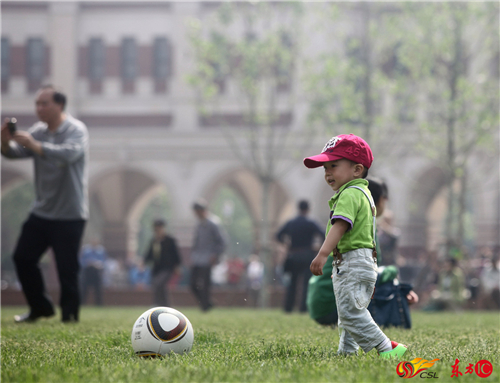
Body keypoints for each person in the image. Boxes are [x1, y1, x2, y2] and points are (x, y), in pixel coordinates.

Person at [304, 133, 407, 359]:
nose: (327, 172)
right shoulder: (364, 194)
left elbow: (339, 227)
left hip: (353, 261)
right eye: (325, 168)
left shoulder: (349, 194)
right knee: (347, 312)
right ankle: (347, 352)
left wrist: (323, 254)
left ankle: (388, 348)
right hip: (358, 262)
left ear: (357, 170)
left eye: (333, 165)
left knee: (350, 314)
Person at [1, 85, 89, 323]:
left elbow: (68, 155)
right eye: (37, 104)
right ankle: (40, 307)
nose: (39, 108)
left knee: (66, 269)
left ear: (59, 105)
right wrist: (4, 143)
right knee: (22, 257)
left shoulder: (76, 130)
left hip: (70, 214)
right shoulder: (38, 131)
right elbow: (14, 153)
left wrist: (34, 145)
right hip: (42, 212)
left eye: (44, 103)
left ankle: (70, 316)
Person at [276, 200, 324, 313]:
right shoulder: (311, 222)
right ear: (308, 209)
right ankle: (304, 308)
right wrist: (317, 247)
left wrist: (286, 244)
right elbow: (323, 235)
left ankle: (288, 307)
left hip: (293, 254)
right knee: (307, 282)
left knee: (292, 282)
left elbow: (278, 235)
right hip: (307, 254)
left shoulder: (291, 222)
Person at [190, 199, 226, 311]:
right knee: (192, 284)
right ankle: (207, 303)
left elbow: (222, 242)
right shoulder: (199, 224)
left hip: (208, 258)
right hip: (197, 258)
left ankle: (205, 306)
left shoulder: (213, 223)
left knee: (205, 285)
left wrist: (215, 255)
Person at [143, 219, 181, 307]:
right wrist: (144, 261)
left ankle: (158, 303)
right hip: (157, 269)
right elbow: (149, 255)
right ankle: (164, 305)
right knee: (159, 286)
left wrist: (177, 266)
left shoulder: (170, 240)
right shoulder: (154, 241)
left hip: (168, 268)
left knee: (158, 283)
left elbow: (176, 255)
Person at [80, 238, 107, 306]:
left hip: (96, 272)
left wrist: (97, 264)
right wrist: (88, 263)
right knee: (84, 288)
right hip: (87, 272)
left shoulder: (101, 251)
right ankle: (83, 303)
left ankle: (99, 304)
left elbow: (104, 261)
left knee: (98, 289)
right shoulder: (86, 250)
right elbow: (81, 261)